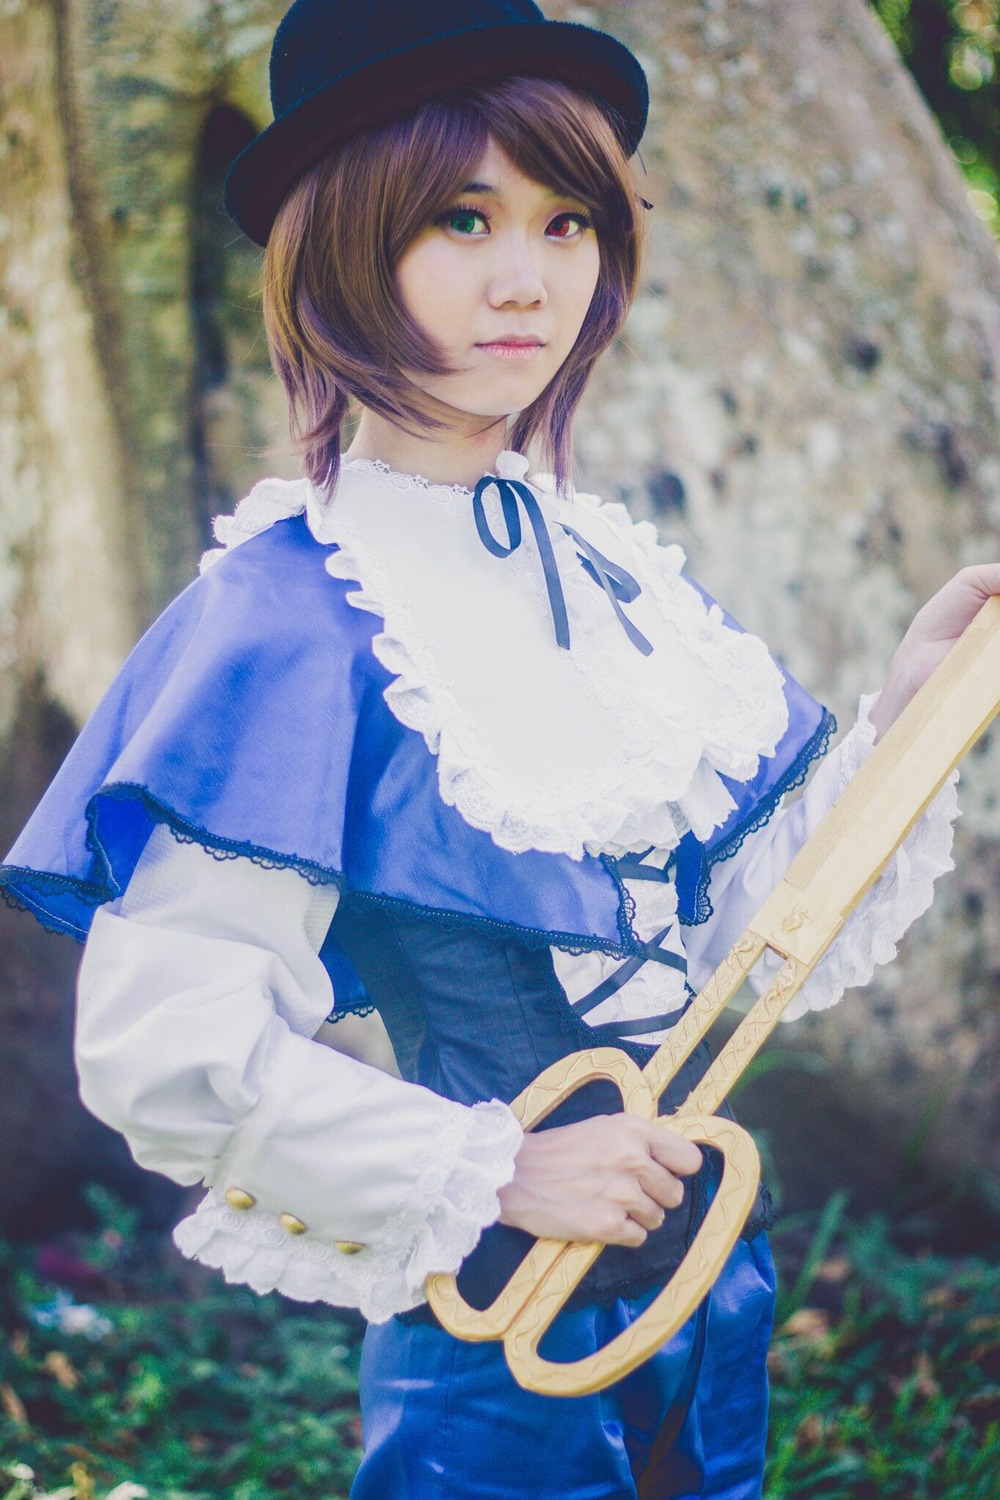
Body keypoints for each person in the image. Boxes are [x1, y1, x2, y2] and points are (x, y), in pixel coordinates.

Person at [2, 1, 997, 1495]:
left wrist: (919, 716)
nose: (528, 277)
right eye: (462, 221)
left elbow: (751, 938)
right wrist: (506, 1173)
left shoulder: (604, 573)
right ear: (342, 243)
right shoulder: (289, 620)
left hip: (711, 1290)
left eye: (566, 219)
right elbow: (163, 1049)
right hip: (494, 1337)